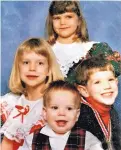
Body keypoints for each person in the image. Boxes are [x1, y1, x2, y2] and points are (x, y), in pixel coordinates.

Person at [0, 38, 64, 150]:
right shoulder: (9, 103)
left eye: (40, 63)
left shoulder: (58, 103)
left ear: (49, 69)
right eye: (26, 62)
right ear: (18, 68)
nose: (32, 68)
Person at [45, 0, 121, 81]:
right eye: (57, 18)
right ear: (51, 21)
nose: (62, 22)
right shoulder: (43, 49)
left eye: (69, 17)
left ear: (79, 21)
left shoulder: (96, 49)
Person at [32, 80, 104, 150]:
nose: (62, 113)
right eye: (55, 107)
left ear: (77, 115)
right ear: (45, 113)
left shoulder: (87, 139)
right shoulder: (32, 138)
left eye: (69, 108)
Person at [74, 55, 121, 150]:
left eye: (110, 80)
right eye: (97, 82)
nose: (107, 86)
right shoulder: (80, 116)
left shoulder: (111, 111)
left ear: (116, 82)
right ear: (84, 91)